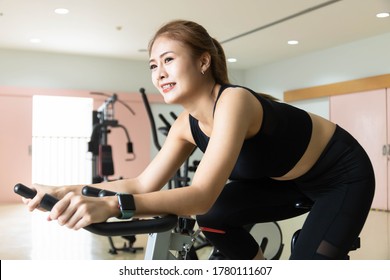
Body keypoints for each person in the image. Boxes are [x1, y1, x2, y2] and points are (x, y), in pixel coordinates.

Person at [22, 19, 375, 260]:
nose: (159, 73)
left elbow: (201, 195)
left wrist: (115, 206)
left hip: (341, 177)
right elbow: (144, 182)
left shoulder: (233, 100)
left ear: (203, 61)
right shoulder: (184, 125)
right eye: (152, 65)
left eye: (169, 60)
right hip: (286, 182)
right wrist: (69, 190)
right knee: (217, 217)